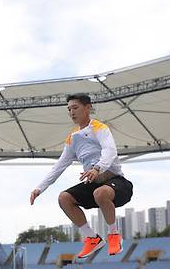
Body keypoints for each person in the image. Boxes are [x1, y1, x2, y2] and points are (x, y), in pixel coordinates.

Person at [29, 93, 133, 258]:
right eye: (69, 109)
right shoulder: (72, 138)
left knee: (100, 192)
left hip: (118, 185)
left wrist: (97, 168)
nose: (71, 112)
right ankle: (92, 238)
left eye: (75, 107)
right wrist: (39, 188)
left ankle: (114, 235)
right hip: (94, 186)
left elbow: (110, 151)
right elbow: (59, 166)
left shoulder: (99, 128)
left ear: (88, 108)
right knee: (64, 198)